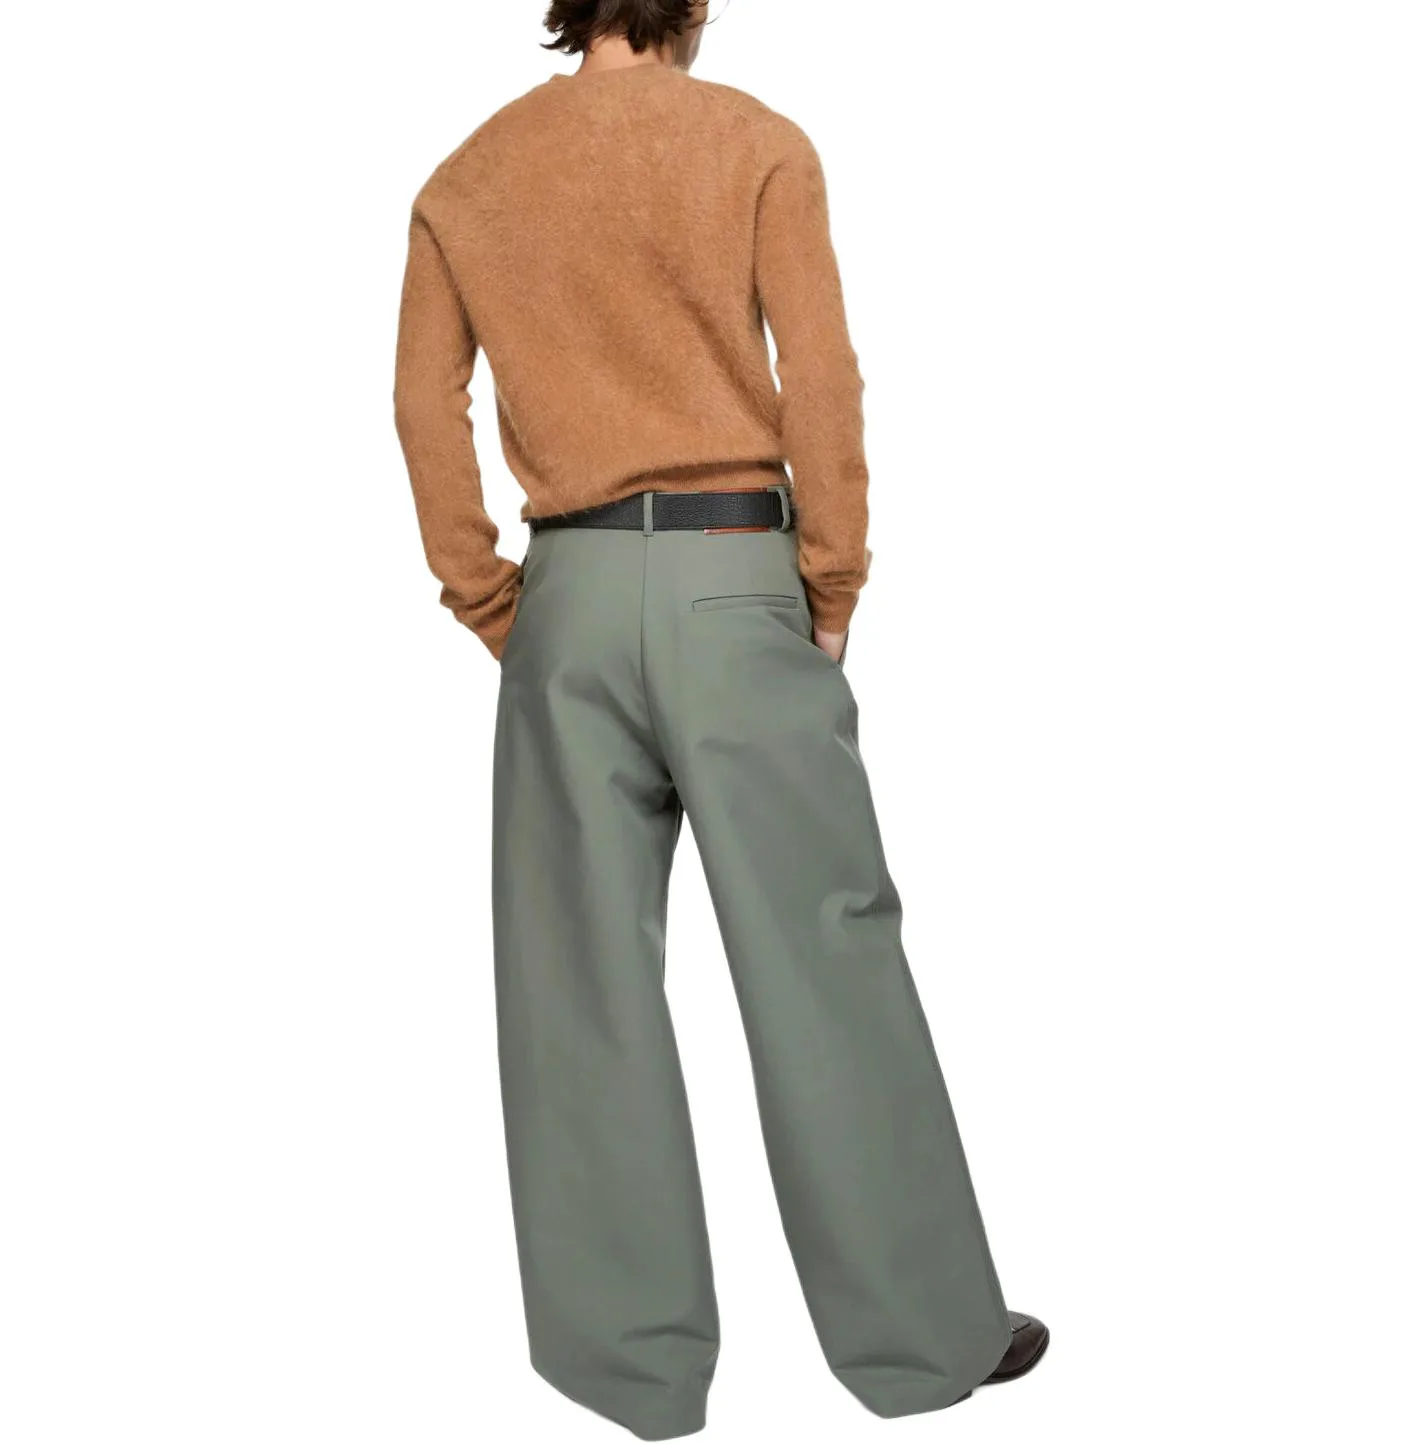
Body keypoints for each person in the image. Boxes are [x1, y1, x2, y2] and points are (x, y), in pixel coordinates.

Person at [392, 2, 1047, 1437]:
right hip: (736, 577)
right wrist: (832, 580)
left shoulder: (466, 178)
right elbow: (824, 377)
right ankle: (920, 1340)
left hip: (567, 599)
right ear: (689, 6)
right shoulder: (755, 144)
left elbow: (425, 410)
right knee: (826, 954)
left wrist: (495, 606)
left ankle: (630, 1374)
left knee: (575, 988)